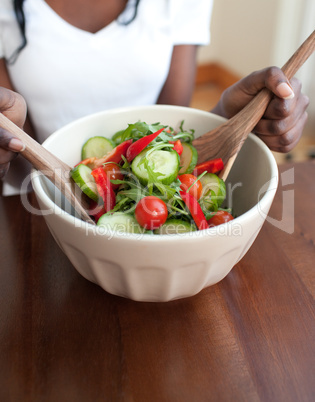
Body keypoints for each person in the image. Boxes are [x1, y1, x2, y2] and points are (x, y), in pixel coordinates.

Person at [0, 0, 310, 191]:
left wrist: (230, 119)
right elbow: (21, 171)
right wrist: (9, 151)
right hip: (35, 199)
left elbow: (172, 137)